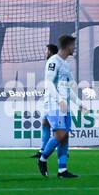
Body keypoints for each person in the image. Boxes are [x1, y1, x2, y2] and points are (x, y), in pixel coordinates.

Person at [36, 34, 78, 179]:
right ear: (67, 46)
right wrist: (59, 99)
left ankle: (62, 170)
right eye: (73, 45)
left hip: (64, 105)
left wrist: (79, 103)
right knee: (60, 135)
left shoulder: (66, 65)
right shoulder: (53, 61)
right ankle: (42, 158)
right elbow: (48, 83)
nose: (75, 48)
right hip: (54, 104)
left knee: (65, 137)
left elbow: (69, 87)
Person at [31, 41, 59, 158]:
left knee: (58, 129)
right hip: (49, 100)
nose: (45, 52)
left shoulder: (54, 62)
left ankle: (61, 150)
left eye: (46, 50)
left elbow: (52, 81)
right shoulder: (51, 62)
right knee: (45, 124)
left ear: (50, 51)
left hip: (54, 101)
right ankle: (43, 150)